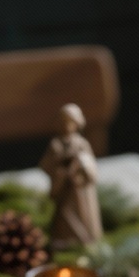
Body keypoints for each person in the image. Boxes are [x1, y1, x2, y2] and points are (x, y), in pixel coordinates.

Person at [40, 103, 102, 248]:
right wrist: (61, 170)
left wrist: (82, 164)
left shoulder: (82, 144)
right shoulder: (55, 145)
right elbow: (46, 165)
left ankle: (87, 240)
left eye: (70, 122)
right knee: (65, 216)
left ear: (77, 123)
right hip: (64, 191)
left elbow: (91, 167)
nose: (67, 126)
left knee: (83, 215)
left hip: (80, 191)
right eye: (64, 122)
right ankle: (64, 242)